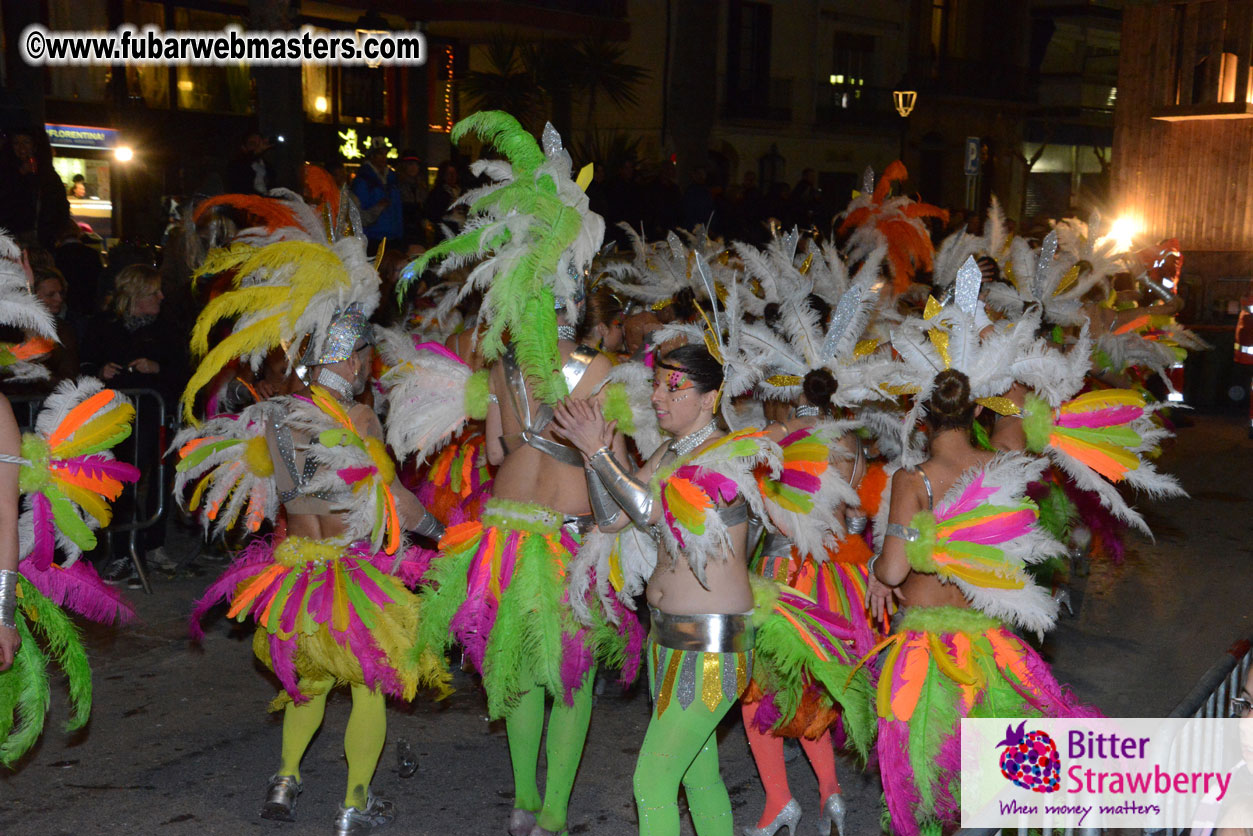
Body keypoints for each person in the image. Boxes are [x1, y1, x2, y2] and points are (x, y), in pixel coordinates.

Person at [179, 188, 450, 835]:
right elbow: (391, 499)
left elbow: (285, 496)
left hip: (293, 578)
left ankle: (284, 781)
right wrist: (441, 534)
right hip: (351, 576)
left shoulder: (276, 416)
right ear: (352, 361)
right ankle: (354, 802)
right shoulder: (356, 416)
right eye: (364, 361)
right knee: (368, 684)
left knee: (306, 684)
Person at [867, 369, 1098, 836]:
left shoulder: (913, 480)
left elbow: (892, 571)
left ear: (920, 415)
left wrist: (877, 572)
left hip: (926, 654)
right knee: (989, 776)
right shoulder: (1000, 465)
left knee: (928, 780)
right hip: (988, 647)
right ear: (977, 410)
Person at [555, 345, 764, 836]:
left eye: (673, 387)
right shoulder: (672, 451)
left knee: (652, 781)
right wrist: (592, 457)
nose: (656, 397)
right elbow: (611, 518)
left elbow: (653, 510)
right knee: (697, 774)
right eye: (655, 384)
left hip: (714, 645)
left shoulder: (727, 455)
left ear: (710, 398)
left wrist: (603, 454)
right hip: (667, 638)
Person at [352, 142, 403, 255]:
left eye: (385, 154)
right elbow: (360, 212)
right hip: (372, 236)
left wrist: (399, 233)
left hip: (391, 235)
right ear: (372, 156)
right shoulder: (363, 180)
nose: (383, 157)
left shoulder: (391, 179)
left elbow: (397, 209)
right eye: (380, 154)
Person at [223, 130, 274, 196]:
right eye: (253, 144)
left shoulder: (269, 167)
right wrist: (255, 154)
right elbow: (240, 187)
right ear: (244, 147)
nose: (257, 147)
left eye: (260, 143)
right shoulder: (237, 165)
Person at [396, 150, 428, 248]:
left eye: (415, 165)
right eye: (410, 164)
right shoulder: (398, 185)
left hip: (418, 229)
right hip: (403, 229)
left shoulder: (421, 186)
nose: (413, 167)